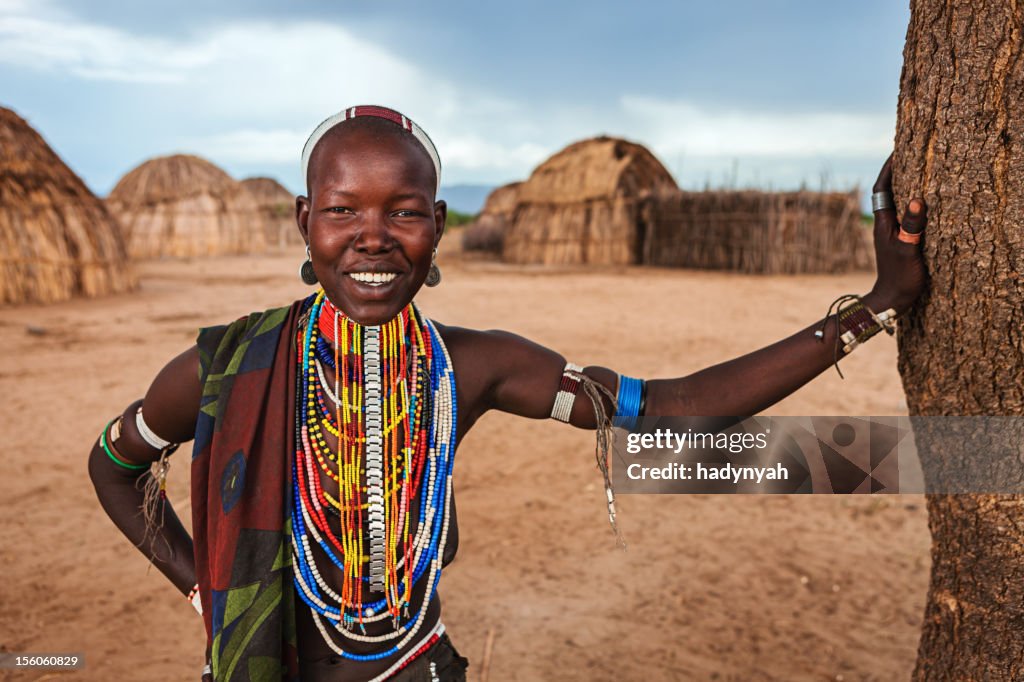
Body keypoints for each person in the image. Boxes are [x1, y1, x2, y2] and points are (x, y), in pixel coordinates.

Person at [88, 105, 928, 682]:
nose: (373, 238)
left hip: (416, 666)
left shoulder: (474, 366)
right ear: (305, 221)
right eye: (344, 211)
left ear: (439, 225)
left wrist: (870, 311)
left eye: (403, 212)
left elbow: (668, 407)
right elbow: (112, 467)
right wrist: (203, 584)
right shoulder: (227, 366)